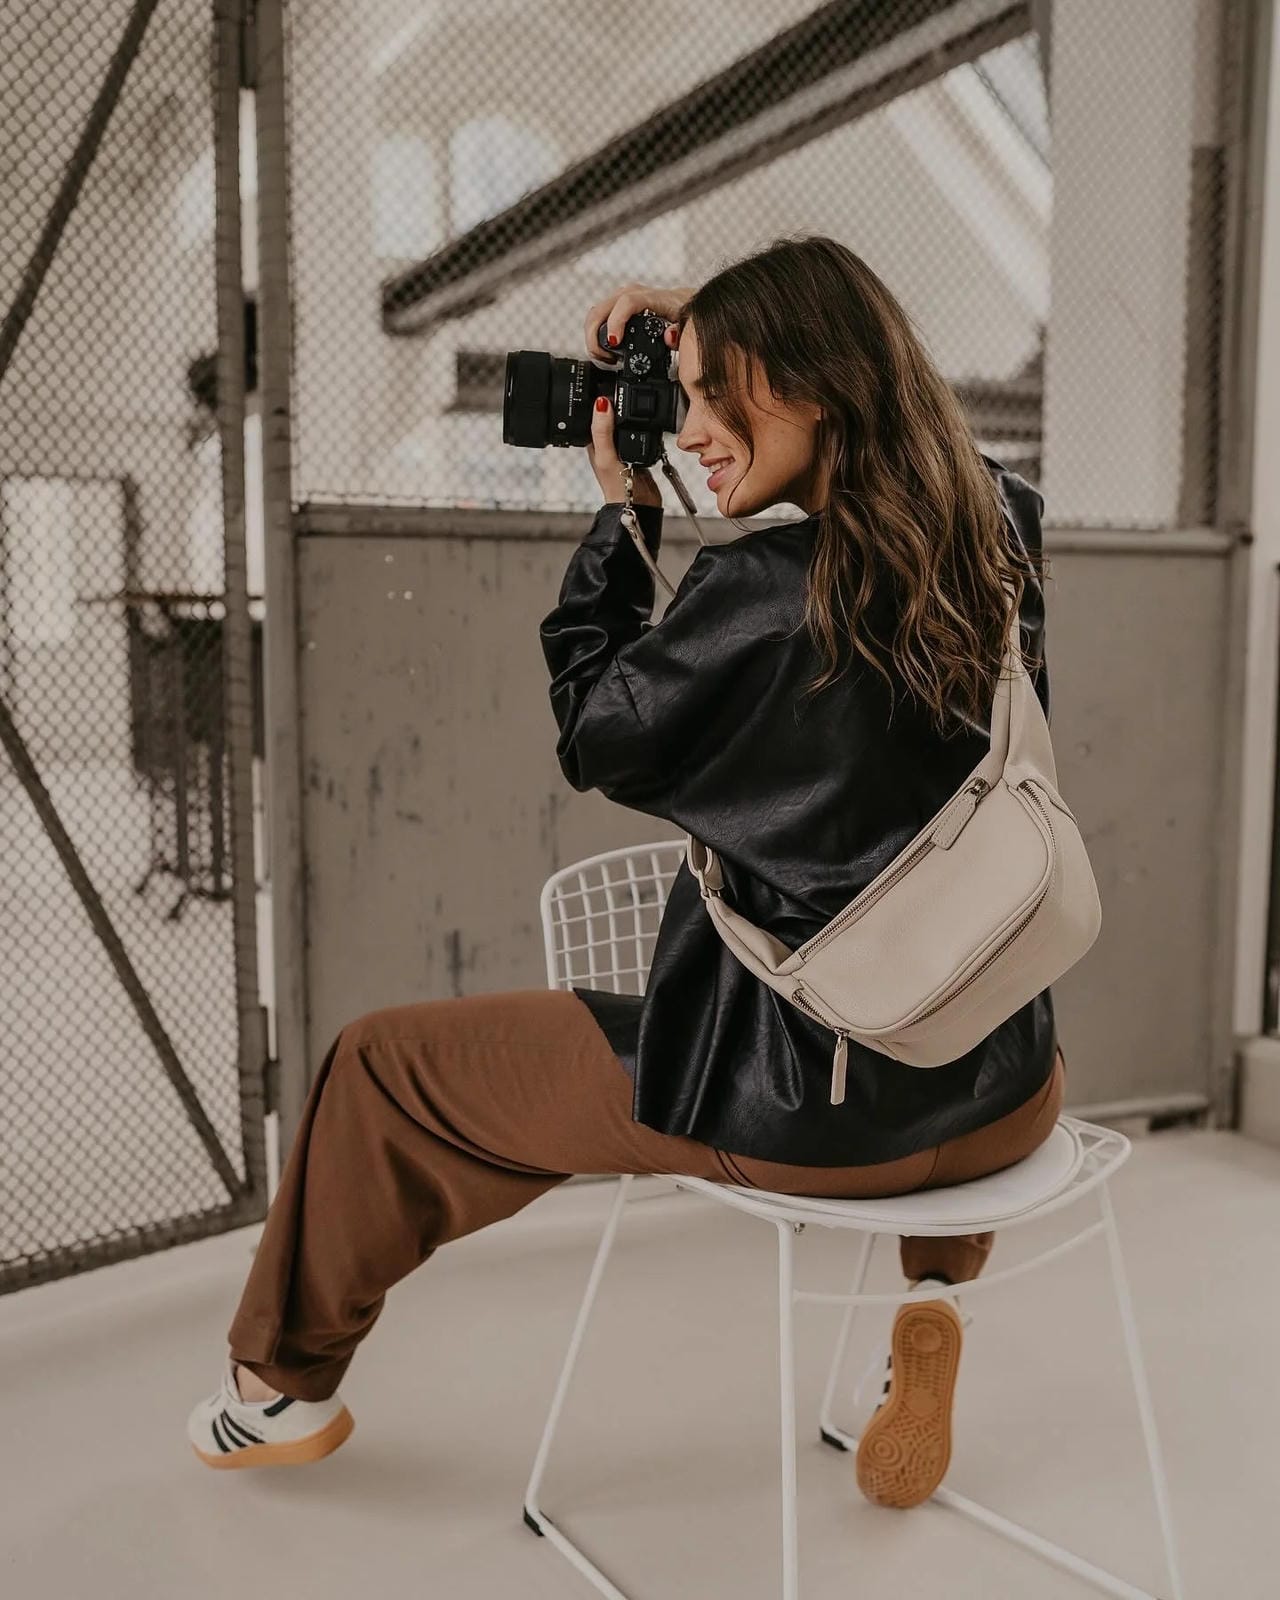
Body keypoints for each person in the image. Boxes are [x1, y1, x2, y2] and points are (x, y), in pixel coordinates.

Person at [188, 235, 1065, 1513]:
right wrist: (712, 322)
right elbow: (920, 430)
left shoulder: (759, 591)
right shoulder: (1001, 531)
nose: (693, 428)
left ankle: (279, 1392)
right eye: (686, 391)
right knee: (935, 967)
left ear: (820, 381)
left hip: (808, 1126)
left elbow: (598, 728)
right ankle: (928, 1299)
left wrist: (623, 515)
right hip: (1005, 1093)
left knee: (383, 1065)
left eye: (723, 392)